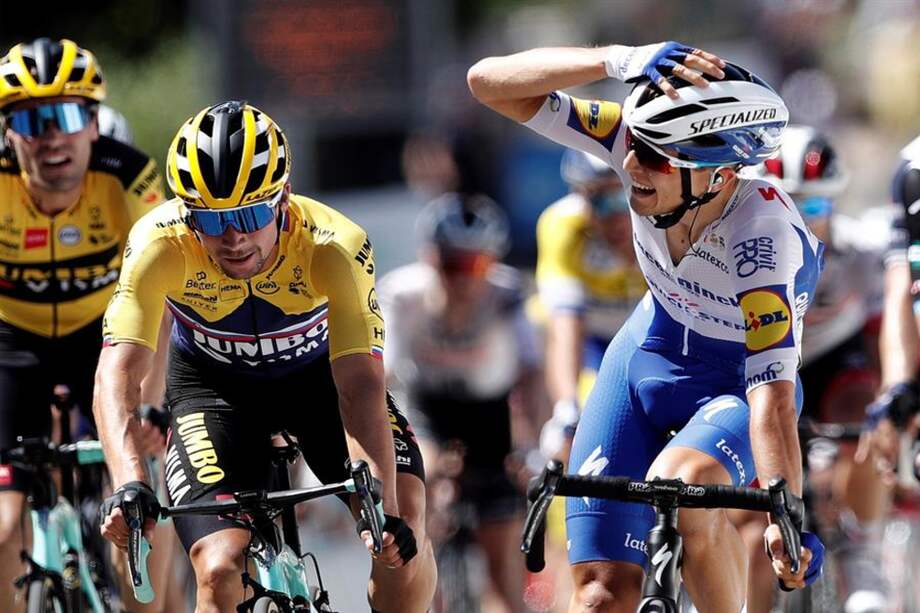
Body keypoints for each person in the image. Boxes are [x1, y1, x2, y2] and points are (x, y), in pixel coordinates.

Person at [468, 41, 824, 611]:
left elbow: (773, 396)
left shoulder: (763, 239)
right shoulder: (628, 140)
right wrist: (617, 60)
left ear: (719, 171)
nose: (630, 166)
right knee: (598, 596)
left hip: (736, 386)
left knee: (679, 488)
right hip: (643, 358)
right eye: (634, 143)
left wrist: (787, 508)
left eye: (656, 157)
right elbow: (488, 81)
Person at [94, 100, 437, 613]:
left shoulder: (334, 247)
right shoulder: (158, 245)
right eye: (212, 221)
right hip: (213, 393)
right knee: (217, 568)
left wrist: (378, 503)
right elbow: (117, 372)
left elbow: (360, 383)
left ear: (284, 199)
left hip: (319, 388)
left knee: (401, 530)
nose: (233, 238)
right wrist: (129, 482)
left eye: (252, 214)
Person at [0, 37, 166, 612]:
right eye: (30, 119)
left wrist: (152, 402)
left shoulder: (129, 178)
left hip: (103, 340)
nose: (52, 137)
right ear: (9, 133)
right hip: (11, 345)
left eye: (68, 116)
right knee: (1, 528)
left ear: (94, 125)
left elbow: (164, 299)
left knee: (137, 513)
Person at [739, 125, 891, 613]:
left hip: (830, 361)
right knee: (749, 515)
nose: (800, 220)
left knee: (868, 411)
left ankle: (861, 547)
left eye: (815, 207)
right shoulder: (738, 250)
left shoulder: (861, 255)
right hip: (761, 366)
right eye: (786, 203)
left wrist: (892, 407)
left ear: (836, 206)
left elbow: (880, 340)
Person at [379, 192, 543, 612]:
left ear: (492, 263)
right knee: (422, 478)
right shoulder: (403, 295)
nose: (463, 278)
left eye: (476, 265)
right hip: (428, 404)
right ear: (429, 259)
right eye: (451, 265)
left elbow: (532, 375)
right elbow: (383, 377)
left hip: (490, 411)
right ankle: (429, 592)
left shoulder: (507, 296)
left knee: (502, 561)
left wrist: (533, 445)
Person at [536, 149, 646, 460]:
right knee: (586, 417)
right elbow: (565, 326)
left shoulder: (662, 220)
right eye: (598, 202)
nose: (614, 217)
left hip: (651, 336)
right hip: (593, 341)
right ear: (579, 197)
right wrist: (566, 408)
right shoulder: (561, 226)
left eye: (621, 200)